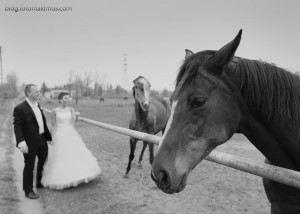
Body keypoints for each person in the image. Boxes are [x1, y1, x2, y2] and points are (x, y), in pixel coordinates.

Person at [41, 92, 101, 190]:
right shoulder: (54, 111)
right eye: (65, 98)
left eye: (68, 98)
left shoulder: (71, 109)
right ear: (60, 100)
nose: (67, 100)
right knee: (61, 156)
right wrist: (51, 138)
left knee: (75, 154)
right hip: (60, 135)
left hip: (71, 133)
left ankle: (78, 176)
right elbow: (53, 125)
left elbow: (73, 122)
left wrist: (76, 115)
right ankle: (63, 178)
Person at [13, 84, 52, 199]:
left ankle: (39, 183)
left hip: (42, 139)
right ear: (28, 93)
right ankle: (28, 190)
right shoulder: (20, 108)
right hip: (29, 142)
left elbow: (40, 122)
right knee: (29, 165)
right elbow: (17, 126)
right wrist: (21, 143)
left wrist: (47, 137)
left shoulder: (38, 105)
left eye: (38, 91)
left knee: (43, 159)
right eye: (36, 91)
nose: (38, 93)